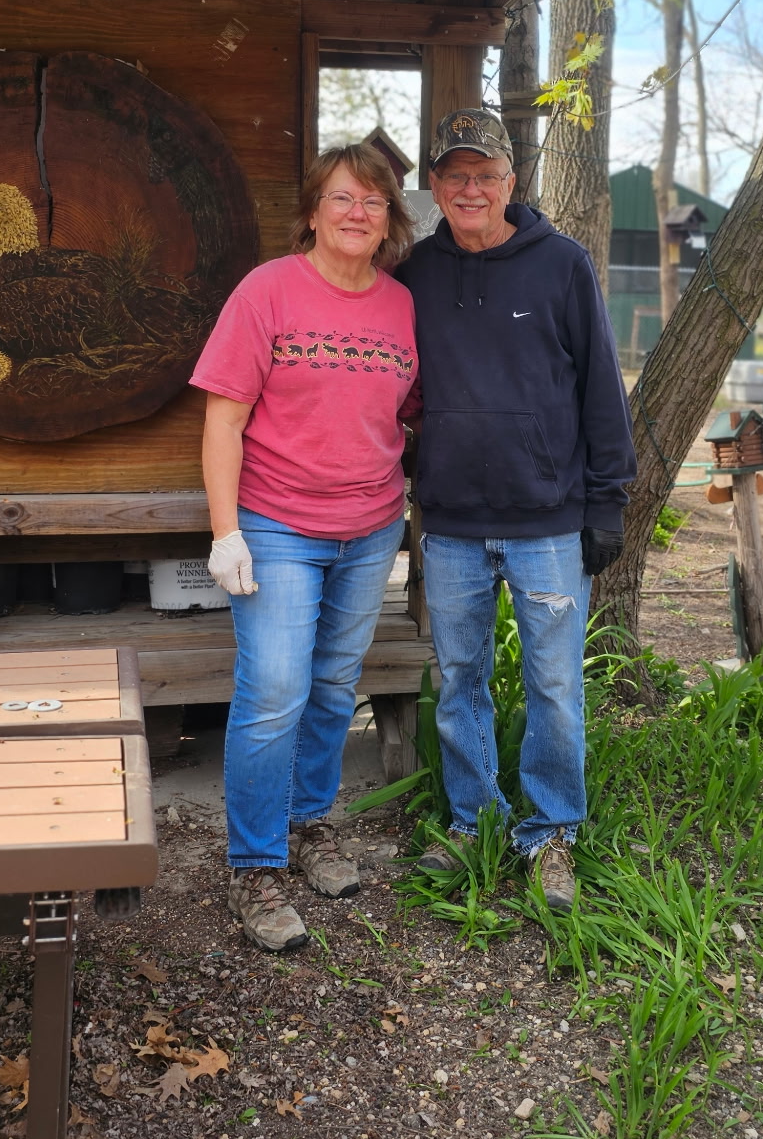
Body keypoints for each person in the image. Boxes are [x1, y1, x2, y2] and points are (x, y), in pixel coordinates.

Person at [394, 109, 635, 910]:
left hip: (549, 524)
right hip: (453, 521)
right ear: (435, 185)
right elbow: (395, 389)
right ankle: (474, 824)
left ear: (511, 182)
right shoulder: (415, 274)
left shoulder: (561, 265)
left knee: (555, 685)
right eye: (455, 175)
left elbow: (602, 388)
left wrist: (608, 500)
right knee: (460, 678)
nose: (470, 188)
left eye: (485, 174)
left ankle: (553, 831)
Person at [190, 142, 418, 951]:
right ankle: (256, 865)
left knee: (330, 687)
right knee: (276, 689)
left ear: (390, 219)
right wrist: (226, 533)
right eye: (343, 198)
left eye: (375, 202)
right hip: (279, 527)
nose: (358, 214)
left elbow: (408, 413)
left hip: (372, 527)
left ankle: (309, 823)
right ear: (315, 209)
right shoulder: (268, 291)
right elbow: (224, 417)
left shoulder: (400, 305)